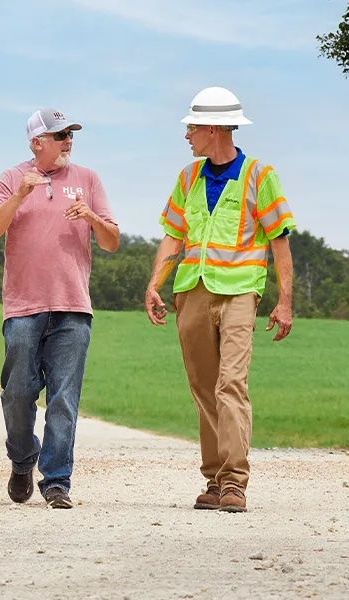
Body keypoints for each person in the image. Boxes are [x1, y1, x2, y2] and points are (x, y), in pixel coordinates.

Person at [144, 87, 296, 513]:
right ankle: (213, 480)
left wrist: (284, 301)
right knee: (203, 388)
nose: (187, 135)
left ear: (212, 129)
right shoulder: (188, 178)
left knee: (231, 383)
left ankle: (234, 483)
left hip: (239, 293)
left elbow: (280, 242)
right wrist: (156, 283)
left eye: (192, 127)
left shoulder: (260, 177)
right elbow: (174, 235)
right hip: (191, 291)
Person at [0, 108, 119, 509]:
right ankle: (23, 459)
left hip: (74, 305)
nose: (68, 142)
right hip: (23, 306)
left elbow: (112, 242)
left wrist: (91, 216)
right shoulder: (10, 179)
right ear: (36, 142)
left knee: (64, 397)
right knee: (18, 392)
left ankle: (57, 480)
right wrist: (22, 194)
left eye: (70, 135)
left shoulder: (88, 180)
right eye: (59, 136)